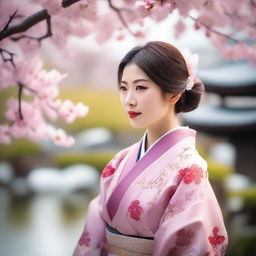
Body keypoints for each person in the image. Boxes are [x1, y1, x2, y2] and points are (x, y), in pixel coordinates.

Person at [73, 41, 228, 256]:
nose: (129, 100)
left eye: (140, 88)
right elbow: (95, 226)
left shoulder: (191, 170)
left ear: (173, 94)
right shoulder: (121, 159)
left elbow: (189, 246)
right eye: (123, 88)